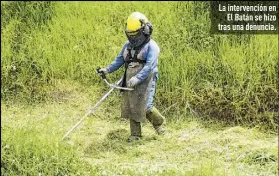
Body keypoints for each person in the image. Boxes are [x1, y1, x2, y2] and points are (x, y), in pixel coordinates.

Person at [99, 12, 166, 142]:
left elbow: (149, 66)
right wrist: (107, 70)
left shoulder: (152, 47)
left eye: (136, 35)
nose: (133, 38)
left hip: (147, 78)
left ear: (145, 30)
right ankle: (136, 134)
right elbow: (119, 60)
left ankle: (160, 125)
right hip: (130, 79)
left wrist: (138, 78)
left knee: (146, 105)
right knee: (132, 105)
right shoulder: (127, 46)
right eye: (131, 35)